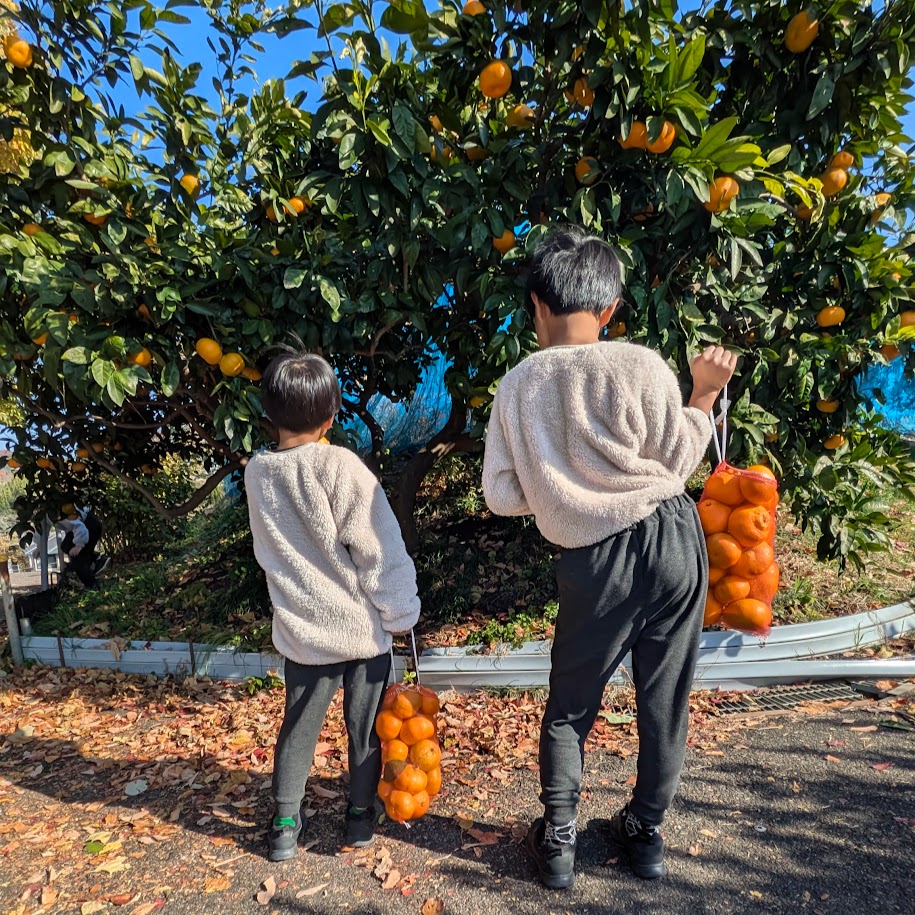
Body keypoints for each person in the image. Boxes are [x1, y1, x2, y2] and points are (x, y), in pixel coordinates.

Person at [481, 225, 737, 889]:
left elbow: (500, 494)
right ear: (610, 308)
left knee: (571, 704)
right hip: (674, 536)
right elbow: (678, 459)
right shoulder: (641, 365)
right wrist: (703, 395)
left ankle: (558, 843)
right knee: (664, 699)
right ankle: (644, 834)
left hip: (595, 559)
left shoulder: (516, 387)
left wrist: (560, 489)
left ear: (536, 304)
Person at [244, 351, 420, 861]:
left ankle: (284, 824)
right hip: (361, 630)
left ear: (269, 413)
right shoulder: (340, 465)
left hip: (303, 630)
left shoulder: (258, 474)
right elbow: (379, 546)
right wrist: (400, 613)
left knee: (298, 726)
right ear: (331, 416)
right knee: (367, 730)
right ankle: (360, 818)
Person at [57, 503, 110, 590]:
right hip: (87, 523)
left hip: (88, 527)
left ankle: (92, 586)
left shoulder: (61, 512)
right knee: (66, 545)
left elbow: (80, 527)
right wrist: (39, 547)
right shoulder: (48, 512)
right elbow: (42, 528)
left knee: (77, 558)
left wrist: (79, 545)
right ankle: (95, 559)